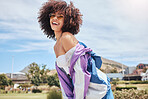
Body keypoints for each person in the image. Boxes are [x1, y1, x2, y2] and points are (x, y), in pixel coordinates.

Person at [38, 0, 114, 99]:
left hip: (99, 90)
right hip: (85, 93)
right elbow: (64, 79)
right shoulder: (56, 46)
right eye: (52, 15)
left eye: (60, 16)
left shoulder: (67, 38)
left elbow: (80, 72)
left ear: (67, 20)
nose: (55, 18)